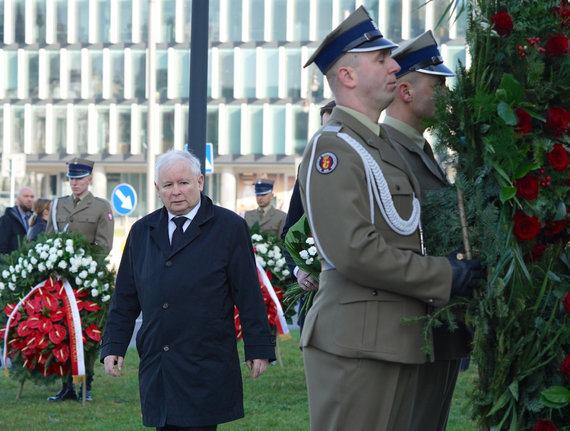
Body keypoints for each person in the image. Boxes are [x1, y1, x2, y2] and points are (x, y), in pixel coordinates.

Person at [297, 7, 484, 430]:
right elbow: (353, 250)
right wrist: (443, 275)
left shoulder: (376, 145)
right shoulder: (335, 148)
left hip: (389, 338)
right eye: (381, 60)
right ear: (346, 76)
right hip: (356, 344)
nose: (395, 66)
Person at [100, 150, 275, 431]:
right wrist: (113, 345)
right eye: (168, 185)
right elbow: (125, 297)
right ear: (157, 189)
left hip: (204, 363)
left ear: (200, 182)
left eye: (184, 183)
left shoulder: (229, 227)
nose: (176, 192)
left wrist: (259, 347)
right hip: (158, 363)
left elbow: (248, 293)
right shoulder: (141, 232)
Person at [382, 30, 470, 431]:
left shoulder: (418, 147)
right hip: (415, 325)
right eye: (438, 86)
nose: (445, 96)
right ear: (405, 90)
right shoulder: (388, 151)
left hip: (437, 323)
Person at [46, 157, 114, 402]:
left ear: (89, 179)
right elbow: (48, 242)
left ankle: (86, 385)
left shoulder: (100, 206)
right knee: (61, 332)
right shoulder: (57, 206)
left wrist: (81, 266)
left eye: (79, 178)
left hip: (87, 283)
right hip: (60, 283)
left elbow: (104, 246)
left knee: (86, 334)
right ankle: (66, 386)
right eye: (71, 178)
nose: (74, 183)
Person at [280, 100, 336, 335]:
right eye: (324, 128)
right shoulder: (309, 167)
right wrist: (300, 271)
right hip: (315, 300)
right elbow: (289, 232)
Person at [0, 186, 35, 254]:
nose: (29, 199)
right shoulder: (7, 219)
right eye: (26, 196)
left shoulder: (36, 219)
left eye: (32, 197)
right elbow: (2, 246)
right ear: (18, 199)